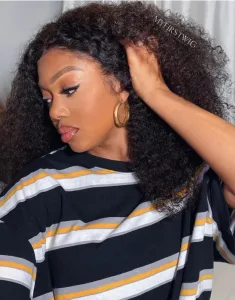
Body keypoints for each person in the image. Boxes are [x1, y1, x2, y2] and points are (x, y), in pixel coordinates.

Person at [0, 1, 235, 299]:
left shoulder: (189, 181)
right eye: (47, 99)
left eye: (69, 89)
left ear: (124, 83)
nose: (55, 111)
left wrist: (155, 93)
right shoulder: (36, 193)